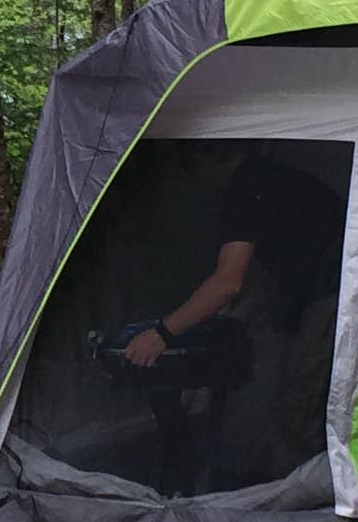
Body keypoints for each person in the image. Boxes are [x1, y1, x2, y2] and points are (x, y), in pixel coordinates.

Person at [120, 146, 344, 369]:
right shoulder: (269, 175)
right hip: (339, 287)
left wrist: (161, 334)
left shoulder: (245, 188)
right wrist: (234, 315)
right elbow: (272, 279)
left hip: (336, 296)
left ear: (201, 162)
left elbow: (227, 283)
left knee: (301, 392)